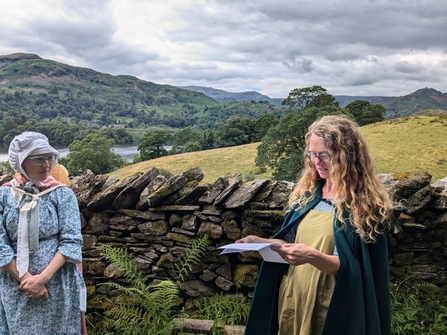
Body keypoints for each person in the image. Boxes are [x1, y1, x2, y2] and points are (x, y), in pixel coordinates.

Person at [237, 115, 399, 335]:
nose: (316, 162)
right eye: (312, 154)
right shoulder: (308, 194)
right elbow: (290, 242)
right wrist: (259, 242)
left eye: (324, 155)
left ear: (347, 156)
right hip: (295, 295)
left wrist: (313, 256)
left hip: (331, 303)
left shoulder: (365, 204)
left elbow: (352, 267)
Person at [0, 132, 86, 334]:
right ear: (21, 161)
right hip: (16, 287)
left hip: (58, 283)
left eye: (48, 157)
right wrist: (26, 280)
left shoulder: (62, 194)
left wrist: (42, 279)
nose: (46, 164)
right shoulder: (4, 196)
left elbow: (71, 241)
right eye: (38, 158)